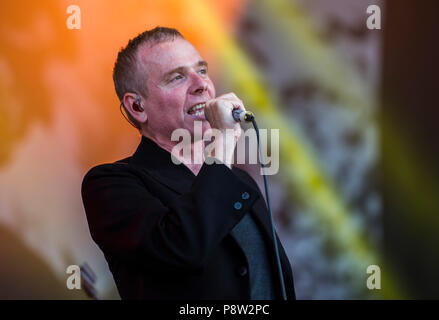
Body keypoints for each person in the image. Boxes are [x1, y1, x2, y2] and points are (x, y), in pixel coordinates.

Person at [81, 27, 295, 300]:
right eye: (177, 77)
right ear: (137, 107)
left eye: (202, 71)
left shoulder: (238, 180)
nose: (201, 84)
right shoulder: (109, 184)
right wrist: (225, 137)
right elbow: (181, 247)